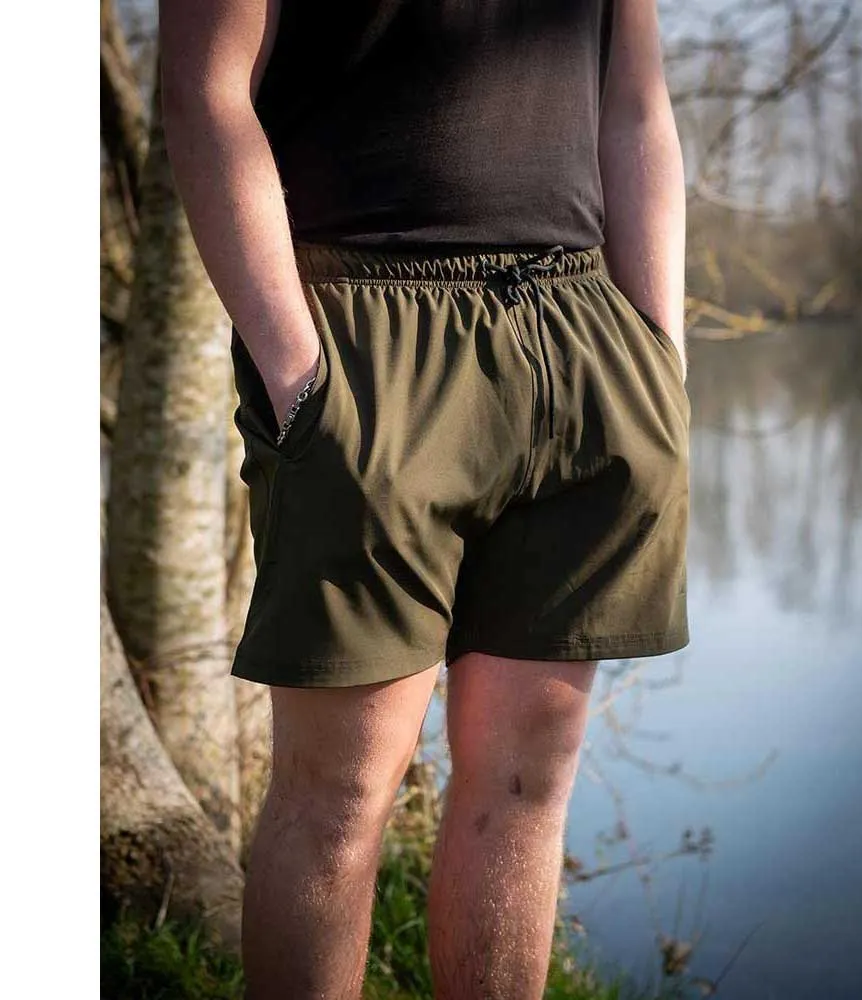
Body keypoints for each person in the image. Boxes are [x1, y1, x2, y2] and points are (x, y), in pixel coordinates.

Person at [160, 0, 689, 996]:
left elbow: (635, 102)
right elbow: (203, 89)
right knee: (338, 796)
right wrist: (299, 377)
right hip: (367, 330)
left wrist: (658, 355)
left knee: (526, 787)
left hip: (582, 333)